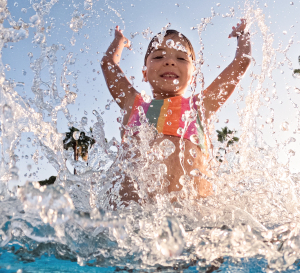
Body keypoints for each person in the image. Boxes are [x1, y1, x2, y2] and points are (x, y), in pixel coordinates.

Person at [100, 20, 251, 204]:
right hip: (128, 219)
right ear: (144, 73)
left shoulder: (199, 107)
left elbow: (241, 63)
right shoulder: (135, 105)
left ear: (193, 75)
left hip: (191, 221)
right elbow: (108, 63)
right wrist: (120, 41)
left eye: (181, 58)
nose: (170, 61)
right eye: (158, 57)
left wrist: (243, 36)